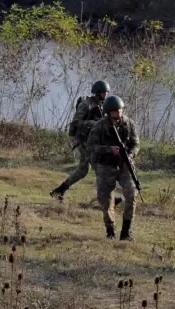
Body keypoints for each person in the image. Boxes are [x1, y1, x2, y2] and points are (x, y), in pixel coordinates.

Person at [83, 95, 139, 240]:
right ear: (108, 112)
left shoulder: (129, 123)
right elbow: (90, 147)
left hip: (125, 164)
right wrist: (109, 149)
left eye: (120, 109)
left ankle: (126, 232)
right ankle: (110, 230)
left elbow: (135, 144)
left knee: (132, 195)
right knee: (105, 199)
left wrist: (130, 155)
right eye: (115, 110)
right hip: (106, 165)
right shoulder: (100, 126)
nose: (119, 113)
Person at [50, 80, 111, 201]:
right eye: (104, 93)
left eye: (107, 92)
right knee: (100, 168)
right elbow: (76, 122)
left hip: (92, 140)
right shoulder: (86, 104)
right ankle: (107, 199)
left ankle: (59, 191)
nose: (106, 95)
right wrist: (94, 123)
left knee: (83, 170)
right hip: (83, 141)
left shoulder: (102, 105)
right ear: (97, 93)